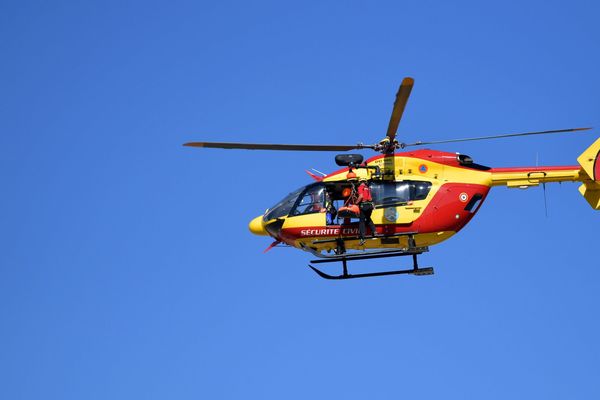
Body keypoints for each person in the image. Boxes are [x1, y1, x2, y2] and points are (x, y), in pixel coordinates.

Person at [356, 177, 377, 245]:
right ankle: (374, 231)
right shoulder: (367, 188)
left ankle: (362, 238)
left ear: (360, 182)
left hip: (363, 206)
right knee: (368, 218)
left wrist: (356, 203)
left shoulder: (360, 187)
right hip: (369, 206)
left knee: (362, 221)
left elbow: (361, 196)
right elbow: (370, 198)